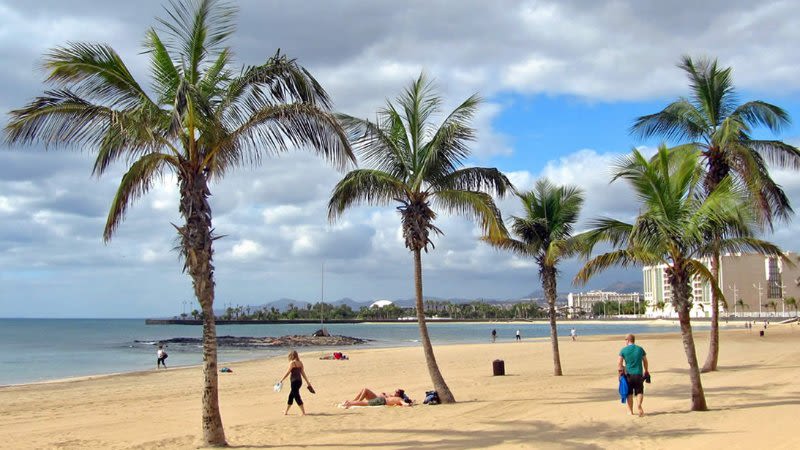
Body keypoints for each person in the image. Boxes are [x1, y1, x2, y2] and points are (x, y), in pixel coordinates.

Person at [618, 333, 649, 417]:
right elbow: (645, 361)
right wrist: (646, 370)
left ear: (628, 340)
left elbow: (619, 363)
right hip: (638, 374)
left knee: (629, 393)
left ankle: (630, 411)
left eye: (625, 340)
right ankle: (639, 405)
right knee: (639, 391)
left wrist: (620, 373)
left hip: (628, 375)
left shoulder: (623, 350)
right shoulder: (640, 349)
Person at [279, 350, 313, 415]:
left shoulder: (292, 363)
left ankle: (303, 413)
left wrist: (282, 379)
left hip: (294, 382)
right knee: (291, 396)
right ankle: (286, 412)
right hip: (299, 382)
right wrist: (307, 382)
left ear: (291, 356)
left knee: (297, 396)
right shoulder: (300, 363)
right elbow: (303, 373)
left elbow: (288, 372)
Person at [342, 387, 412, 408]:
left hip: (380, 400)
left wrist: (408, 404)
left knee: (365, 403)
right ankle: (351, 402)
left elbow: (404, 403)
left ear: (399, 394)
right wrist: (409, 404)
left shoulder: (399, 399)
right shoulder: (398, 399)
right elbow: (404, 403)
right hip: (381, 400)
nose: (395, 392)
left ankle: (350, 403)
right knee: (365, 402)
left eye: (396, 392)